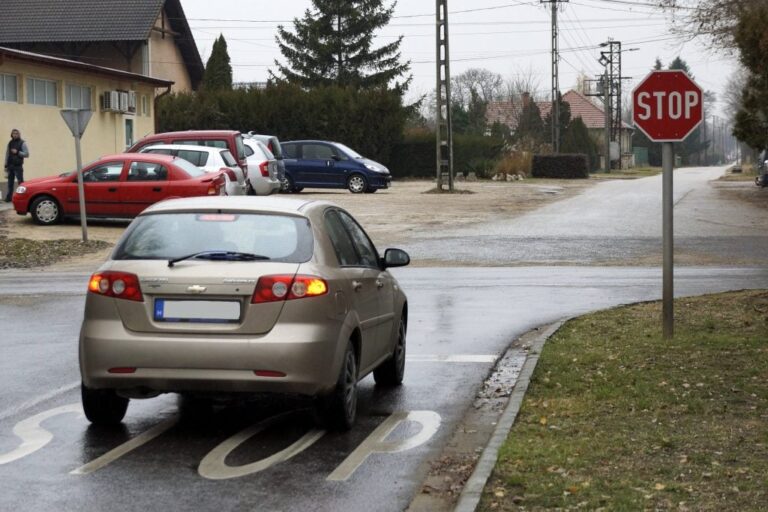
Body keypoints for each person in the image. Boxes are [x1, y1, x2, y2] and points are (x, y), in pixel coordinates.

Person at [4, 128, 29, 202]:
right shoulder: (10, 143)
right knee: (10, 183)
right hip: (10, 166)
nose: (15, 135)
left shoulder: (22, 143)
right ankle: (9, 198)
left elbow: (27, 154)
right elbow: (7, 154)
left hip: (18, 166)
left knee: (21, 183)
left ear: (19, 134)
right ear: (11, 135)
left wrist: (17, 152)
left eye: (16, 133)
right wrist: (5, 165)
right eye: (13, 133)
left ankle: (23, 198)